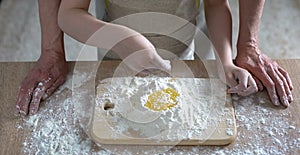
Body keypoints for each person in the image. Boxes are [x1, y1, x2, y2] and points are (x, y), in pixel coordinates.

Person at [15, 0, 293, 116]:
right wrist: (122, 41)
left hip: (185, 46)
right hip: (116, 56)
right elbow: (69, 14)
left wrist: (226, 61)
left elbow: (216, 3)